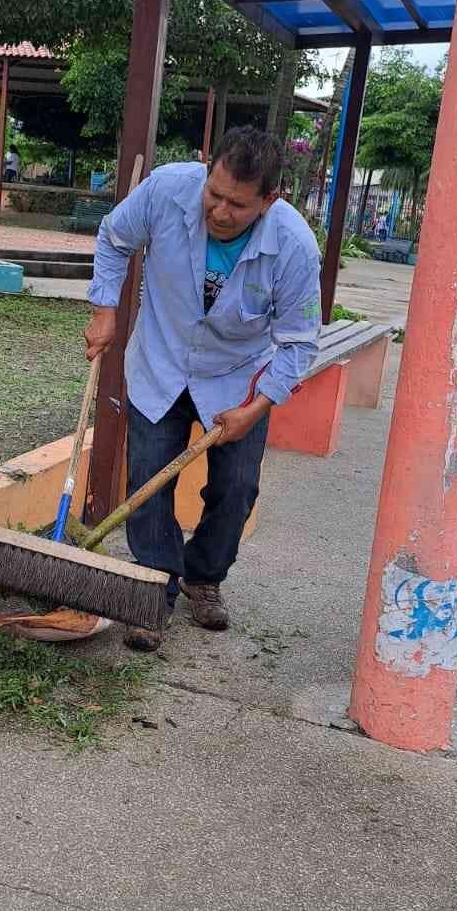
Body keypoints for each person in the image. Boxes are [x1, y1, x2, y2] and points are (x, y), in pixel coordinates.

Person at [85, 128, 321, 651]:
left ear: (269, 200)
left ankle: (204, 576)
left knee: (236, 489)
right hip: (161, 360)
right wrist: (104, 310)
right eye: (214, 194)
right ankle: (154, 589)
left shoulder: (294, 247)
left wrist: (257, 408)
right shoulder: (166, 190)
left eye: (238, 205)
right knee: (149, 482)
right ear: (205, 168)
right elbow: (114, 238)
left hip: (238, 378)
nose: (219, 211)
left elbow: (299, 343)